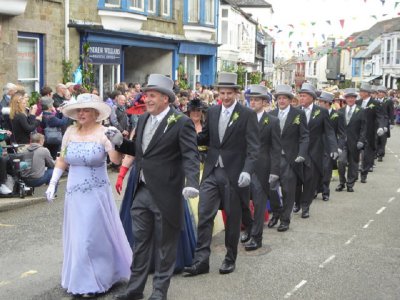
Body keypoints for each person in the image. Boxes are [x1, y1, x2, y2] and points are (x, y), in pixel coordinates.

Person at [108, 74, 200, 300]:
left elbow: (190, 156)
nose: (146, 99)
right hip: (141, 191)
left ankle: (159, 292)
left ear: (165, 99)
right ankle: (134, 290)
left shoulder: (181, 122)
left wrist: (192, 183)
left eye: (152, 96)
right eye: (146, 95)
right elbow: (142, 152)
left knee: (165, 246)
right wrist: (121, 142)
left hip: (167, 194)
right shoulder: (143, 120)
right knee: (140, 245)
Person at [44, 93, 132, 297]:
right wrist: (53, 183)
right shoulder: (70, 132)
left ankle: (98, 279)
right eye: (78, 110)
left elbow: (116, 161)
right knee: (77, 237)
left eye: (85, 110)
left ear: (95, 113)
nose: (81, 114)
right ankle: (82, 280)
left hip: (95, 192)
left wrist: (116, 141)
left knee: (89, 237)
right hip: (74, 193)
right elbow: (62, 159)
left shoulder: (104, 132)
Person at [184, 72, 259, 276]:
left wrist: (247, 171)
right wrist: (185, 136)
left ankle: (230, 258)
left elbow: (254, 148)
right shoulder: (214, 111)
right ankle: (201, 261)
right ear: (218, 92)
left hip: (234, 174)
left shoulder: (247, 114)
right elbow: (205, 138)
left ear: (236, 93)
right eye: (222, 92)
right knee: (205, 214)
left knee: (232, 219)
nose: (225, 97)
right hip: (211, 171)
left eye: (229, 93)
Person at [241, 85, 281, 250]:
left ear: (265, 102)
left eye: (257, 99)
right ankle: (249, 229)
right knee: (242, 202)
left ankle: (257, 237)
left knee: (258, 204)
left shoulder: (272, 121)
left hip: (262, 168)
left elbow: (276, 149)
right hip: (244, 167)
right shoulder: (243, 118)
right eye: (251, 99)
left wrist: (274, 171)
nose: (253, 102)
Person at [295, 83, 338, 218]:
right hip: (297, 152)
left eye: (304, 96)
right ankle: (297, 202)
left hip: (314, 152)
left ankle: (306, 206)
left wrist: (334, 148)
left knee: (309, 180)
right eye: (300, 96)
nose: (301, 98)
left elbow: (329, 132)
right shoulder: (295, 111)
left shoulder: (322, 112)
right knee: (296, 180)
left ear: (312, 98)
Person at [269, 85, 309, 232]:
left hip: (290, 159)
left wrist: (301, 154)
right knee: (271, 188)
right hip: (273, 158)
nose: (281, 100)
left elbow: (304, 136)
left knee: (287, 190)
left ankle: (285, 219)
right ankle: (276, 212)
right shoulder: (271, 114)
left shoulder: (298, 114)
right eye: (279, 98)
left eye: (284, 98)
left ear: (290, 100)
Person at [336, 88, 367, 193]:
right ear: (345, 99)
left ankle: (350, 184)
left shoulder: (361, 111)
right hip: (342, 142)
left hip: (355, 141)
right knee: (341, 162)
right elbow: (336, 127)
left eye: (352, 97)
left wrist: (361, 140)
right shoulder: (340, 111)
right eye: (348, 97)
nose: (350, 99)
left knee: (353, 163)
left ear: (355, 98)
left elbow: (364, 128)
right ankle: (341, 182)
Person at [316, 91, 345, 201]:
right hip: (317, 145)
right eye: (319, 101)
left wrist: (339, 147)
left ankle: (325, 191)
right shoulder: (316, 113)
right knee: (315, 169)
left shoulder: (338, 115)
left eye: (321, 102)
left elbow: (342, 133)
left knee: (327, 170)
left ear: (327, 103)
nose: (319, 103)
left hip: (329, 147)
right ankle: (315, 189)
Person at [356, 83, 385, 183]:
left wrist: (381, 126)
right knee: (355, 153)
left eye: (362, 91)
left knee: (368, 154)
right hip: (357, 132)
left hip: (370, 132)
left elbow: (380, 116)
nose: (360, 93)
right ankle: (354, 173)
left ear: (367, 93)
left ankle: (364, 173)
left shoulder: (375, 103)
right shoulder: (357, 102)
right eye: (360, 91)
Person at [376, 85, 394, 162]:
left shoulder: (388, 101)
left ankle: (381, 154)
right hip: (375, 122)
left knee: (383, 139)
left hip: (385, 122)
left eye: (381, 92)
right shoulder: (374, 101)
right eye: (379, 92)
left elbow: (391, 112)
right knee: (375, 139)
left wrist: (391, 122)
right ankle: (376, 152)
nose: (380, 93)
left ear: (384, 93)